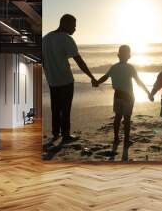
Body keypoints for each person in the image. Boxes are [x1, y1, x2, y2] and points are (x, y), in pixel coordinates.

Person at [42, 14, 97, 147]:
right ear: (65, 24)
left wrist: (49, 74)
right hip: (65, 80)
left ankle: (56, 133)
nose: (75, 28)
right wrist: (92, 77)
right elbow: (79, 61)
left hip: (52, 81)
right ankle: (65, 135)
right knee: (66, 109)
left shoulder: (45, 38)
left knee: (55, 108)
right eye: (74, 25)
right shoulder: (66, 39)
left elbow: (43, 61)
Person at [96, 45, 151, 161]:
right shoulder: (130, 68)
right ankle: (126, 140)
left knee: (117, 117)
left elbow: (105, 77)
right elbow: (138, 82)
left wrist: (97, 82)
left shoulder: (114, 67)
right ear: (129, 56)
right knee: (127, 119)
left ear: (118, 55)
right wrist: (147, 92)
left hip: (117, 95)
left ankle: (116, 138)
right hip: (128, 96)